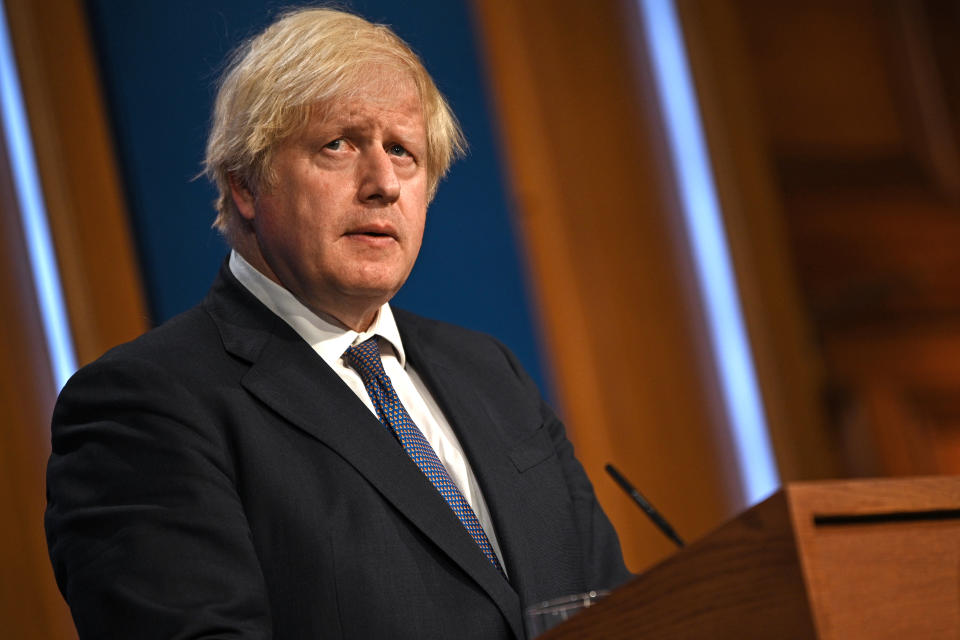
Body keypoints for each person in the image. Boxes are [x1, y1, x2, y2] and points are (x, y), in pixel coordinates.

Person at [45, 8, 630, 639]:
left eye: (403, 151)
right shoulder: (146, 405)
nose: (382, 183)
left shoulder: (490, 371)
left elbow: (617, 609)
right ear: (246, 183)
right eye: (338, 145)